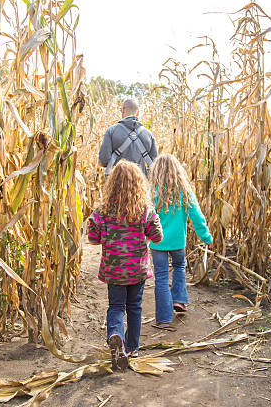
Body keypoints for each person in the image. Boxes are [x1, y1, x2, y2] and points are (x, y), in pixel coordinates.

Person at [87, 160, 163, 371]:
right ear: (139, 185)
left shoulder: (102, 212)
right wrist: (152, 222)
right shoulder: (144, 211)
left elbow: (92, 238)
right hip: (136, 269)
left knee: (116, 306)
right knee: (135, 307)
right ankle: (132, 347)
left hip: (114, 269)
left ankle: (115, 336)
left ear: (111, 184)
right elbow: (157, 237)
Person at [149, 154, 213, 329]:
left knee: (161, 277)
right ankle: (179, 300)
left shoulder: (151, 192)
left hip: (157, 243)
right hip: (178, 242)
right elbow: (197, 217)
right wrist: (206, 237)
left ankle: (163, 319)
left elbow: (144, 217)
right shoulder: (185, 192)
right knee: (179, 267)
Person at [98, 98, 158, 176]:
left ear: (123, 111)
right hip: (141, 184)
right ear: (138, 113)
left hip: (116, 183)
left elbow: (104, 161)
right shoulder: (149, 135)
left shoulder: (111, 131)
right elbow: (155, 164)